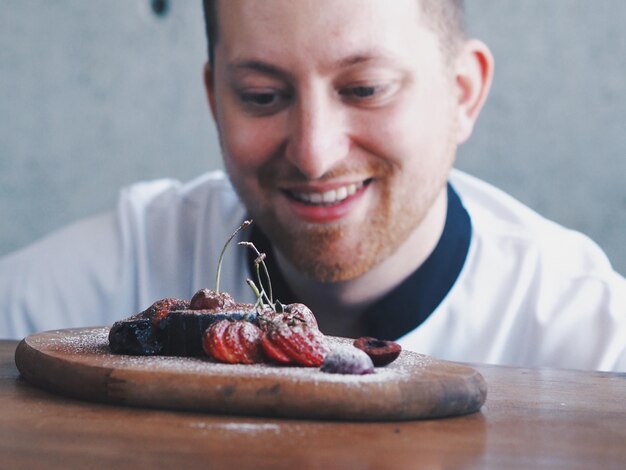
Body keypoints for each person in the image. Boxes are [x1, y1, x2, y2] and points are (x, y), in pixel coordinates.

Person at [1, 0, 624, 371]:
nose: (314, 153)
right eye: (262, 96)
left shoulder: (593, 343)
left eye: (365, 88)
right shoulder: (100, 278)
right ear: (215, 99)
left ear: (463, 93)